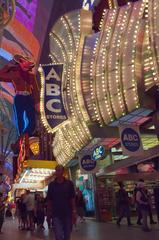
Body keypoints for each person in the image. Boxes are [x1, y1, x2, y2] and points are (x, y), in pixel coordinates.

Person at [47, 165, 77, 240]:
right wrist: (48, 213)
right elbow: (49, 200)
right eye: (57, 170)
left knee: (67, 235)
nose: (58, 172)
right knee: (58, 235)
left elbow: (72, 198)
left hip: (67, 213)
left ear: (63, 172)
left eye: (60, 170)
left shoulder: (69, 184)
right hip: (56, 214)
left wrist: (74, 211)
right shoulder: (51, 185)